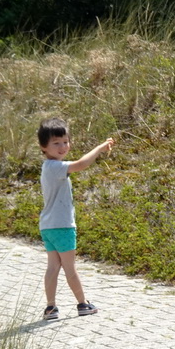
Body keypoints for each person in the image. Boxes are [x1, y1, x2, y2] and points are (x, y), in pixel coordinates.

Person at [37, 118, 115, 321]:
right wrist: (99, 148)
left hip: (48, 226)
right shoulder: (55, 167)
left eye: (65, 141)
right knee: (70, 267)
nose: (62, 146)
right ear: (43, 147)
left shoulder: (48, 167)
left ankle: (50, 308)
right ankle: (82, 304)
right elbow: (81, 164)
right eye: (56, 143)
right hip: (62, 225)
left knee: (53, 266)